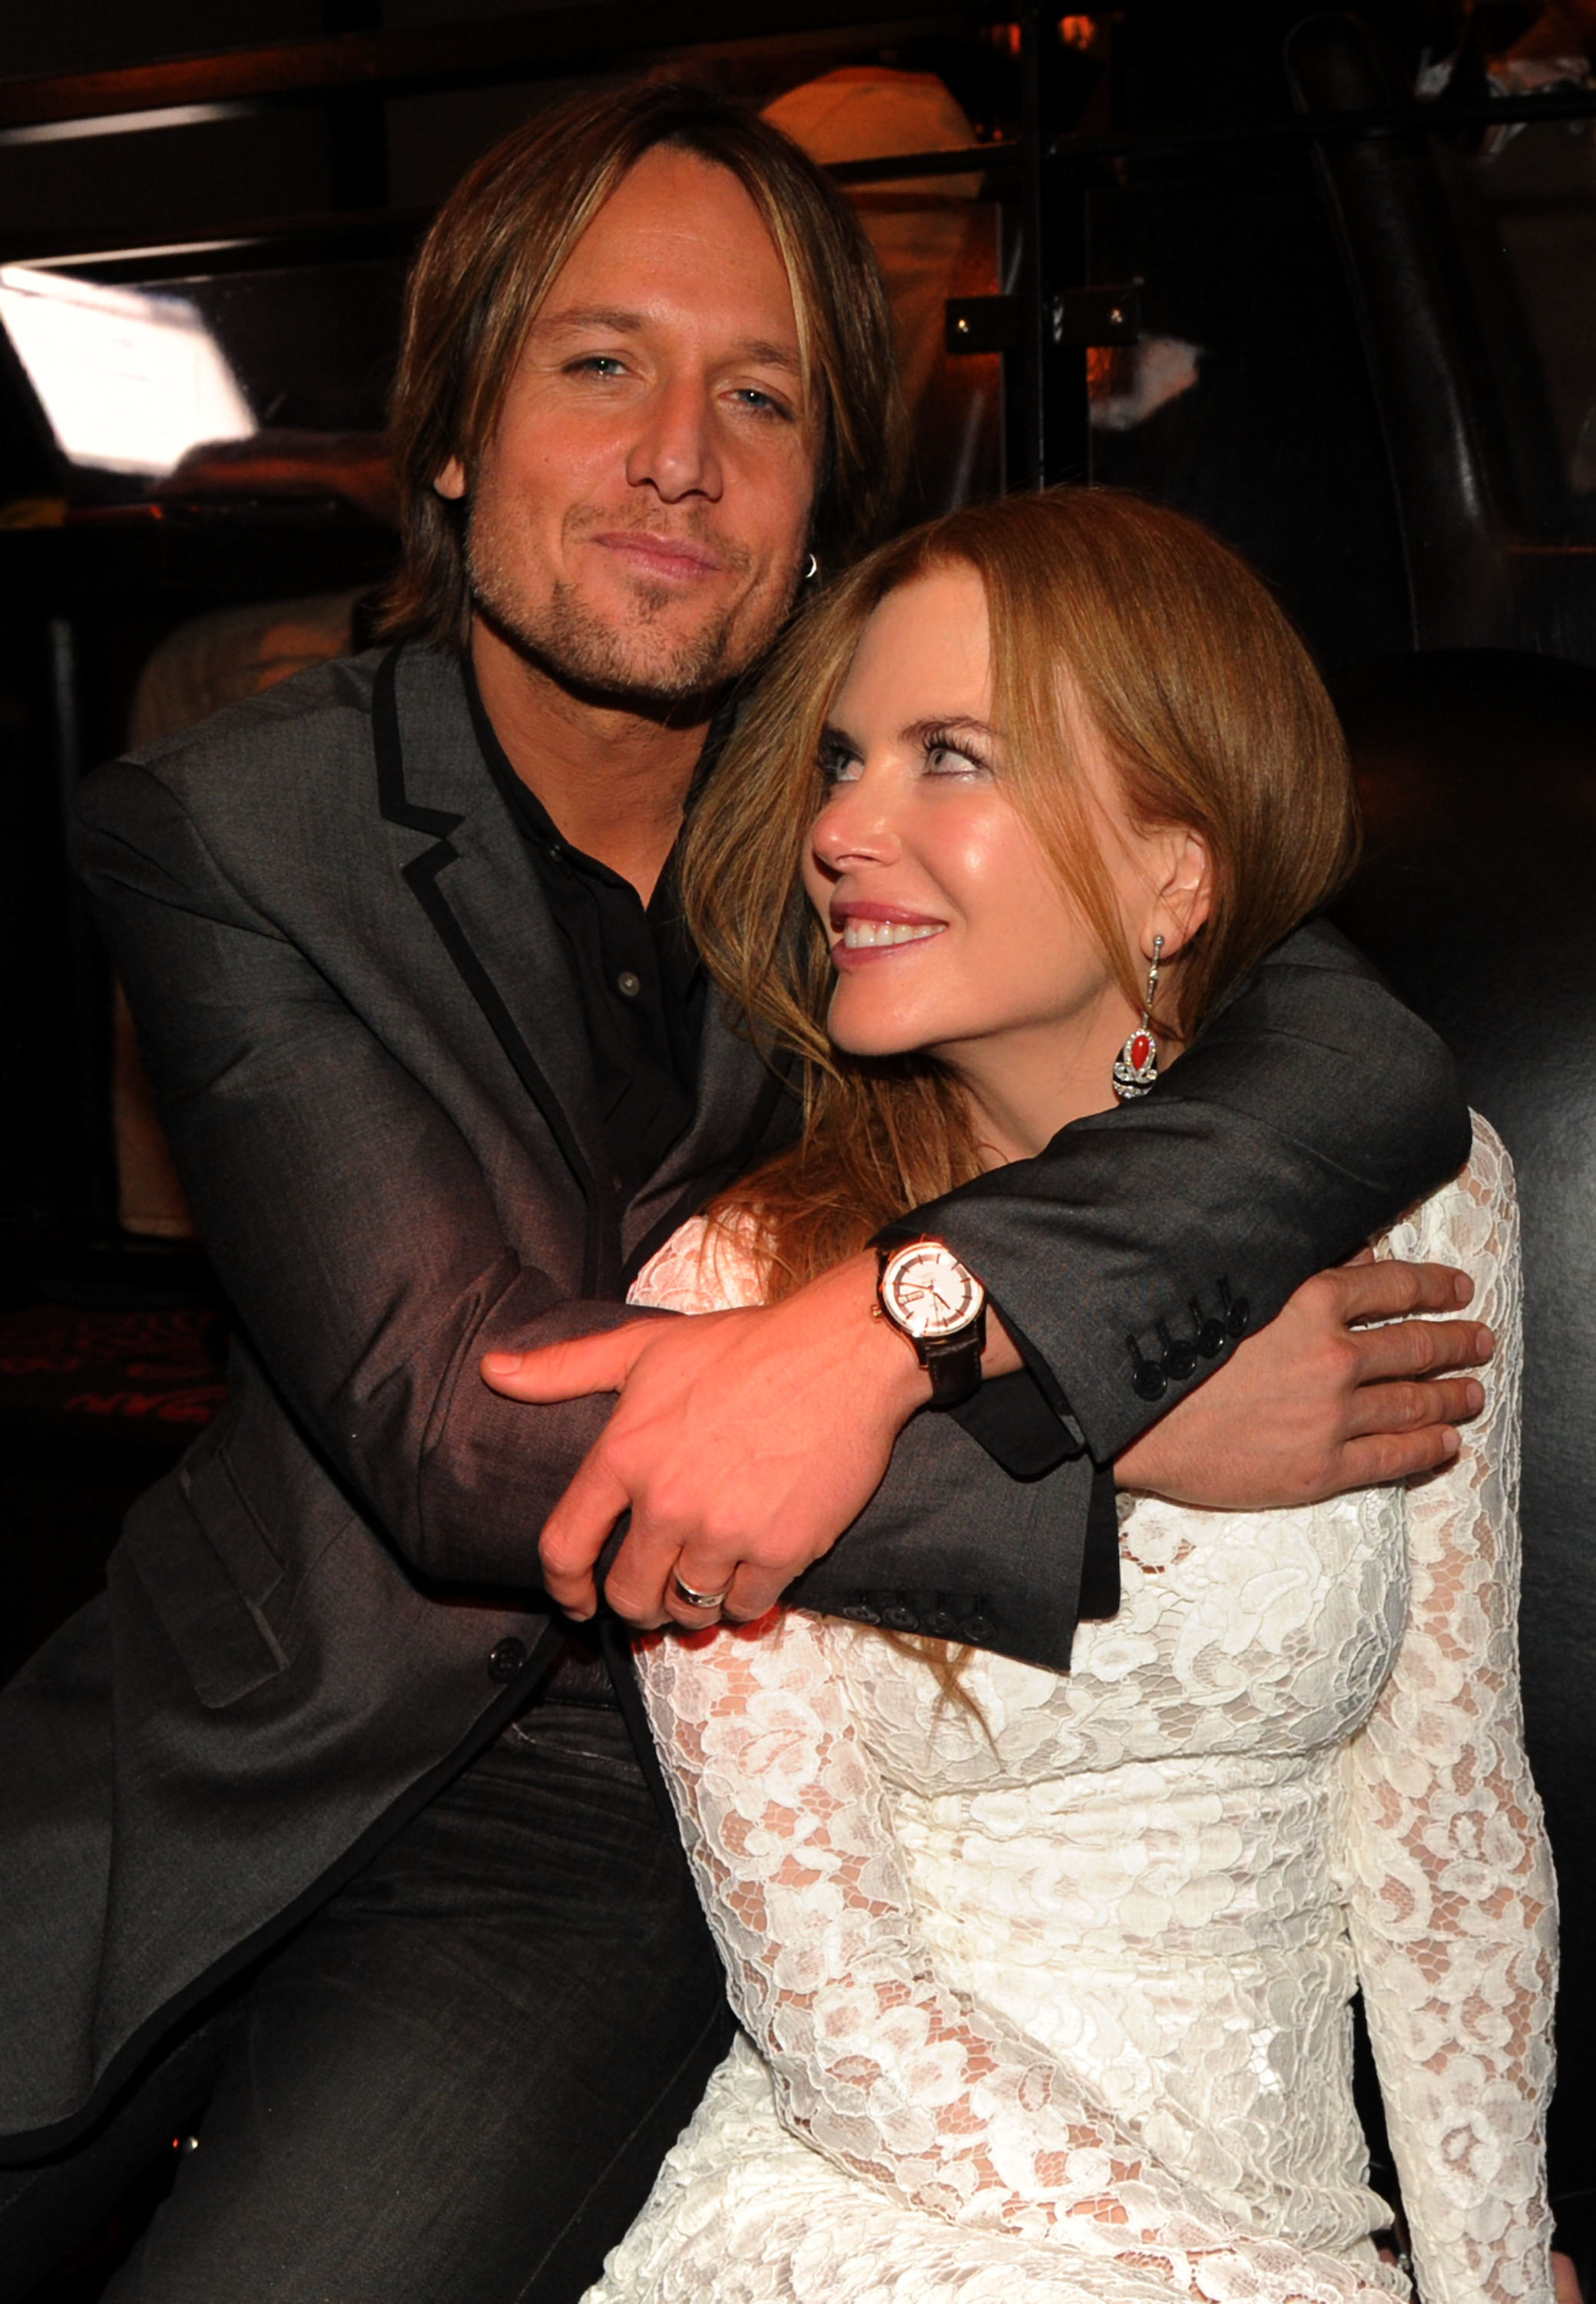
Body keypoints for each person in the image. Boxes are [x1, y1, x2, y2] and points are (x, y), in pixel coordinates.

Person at [0, 83, 1485, 2304]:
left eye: (758, 394)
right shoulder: (227, 825)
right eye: (599, 365)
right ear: (451, 439)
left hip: (638, 1795)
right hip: (231, 1721)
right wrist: (1085, 1419)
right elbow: (447, 1425)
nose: (677, 450)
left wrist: (916, 1312)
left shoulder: (876, 796)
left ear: (820, 504)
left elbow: (1345, 1041)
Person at [558, 487, 1556, 2304]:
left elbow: (1448, 1828)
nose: (843, 828)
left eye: (950, 758)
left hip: (1296, 2216)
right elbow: (834, 2011)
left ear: (1176, 870)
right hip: (893, 2210)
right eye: (844, 760)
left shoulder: (1425, 1199)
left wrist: (1484, 2272)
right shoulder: (733, 1293)